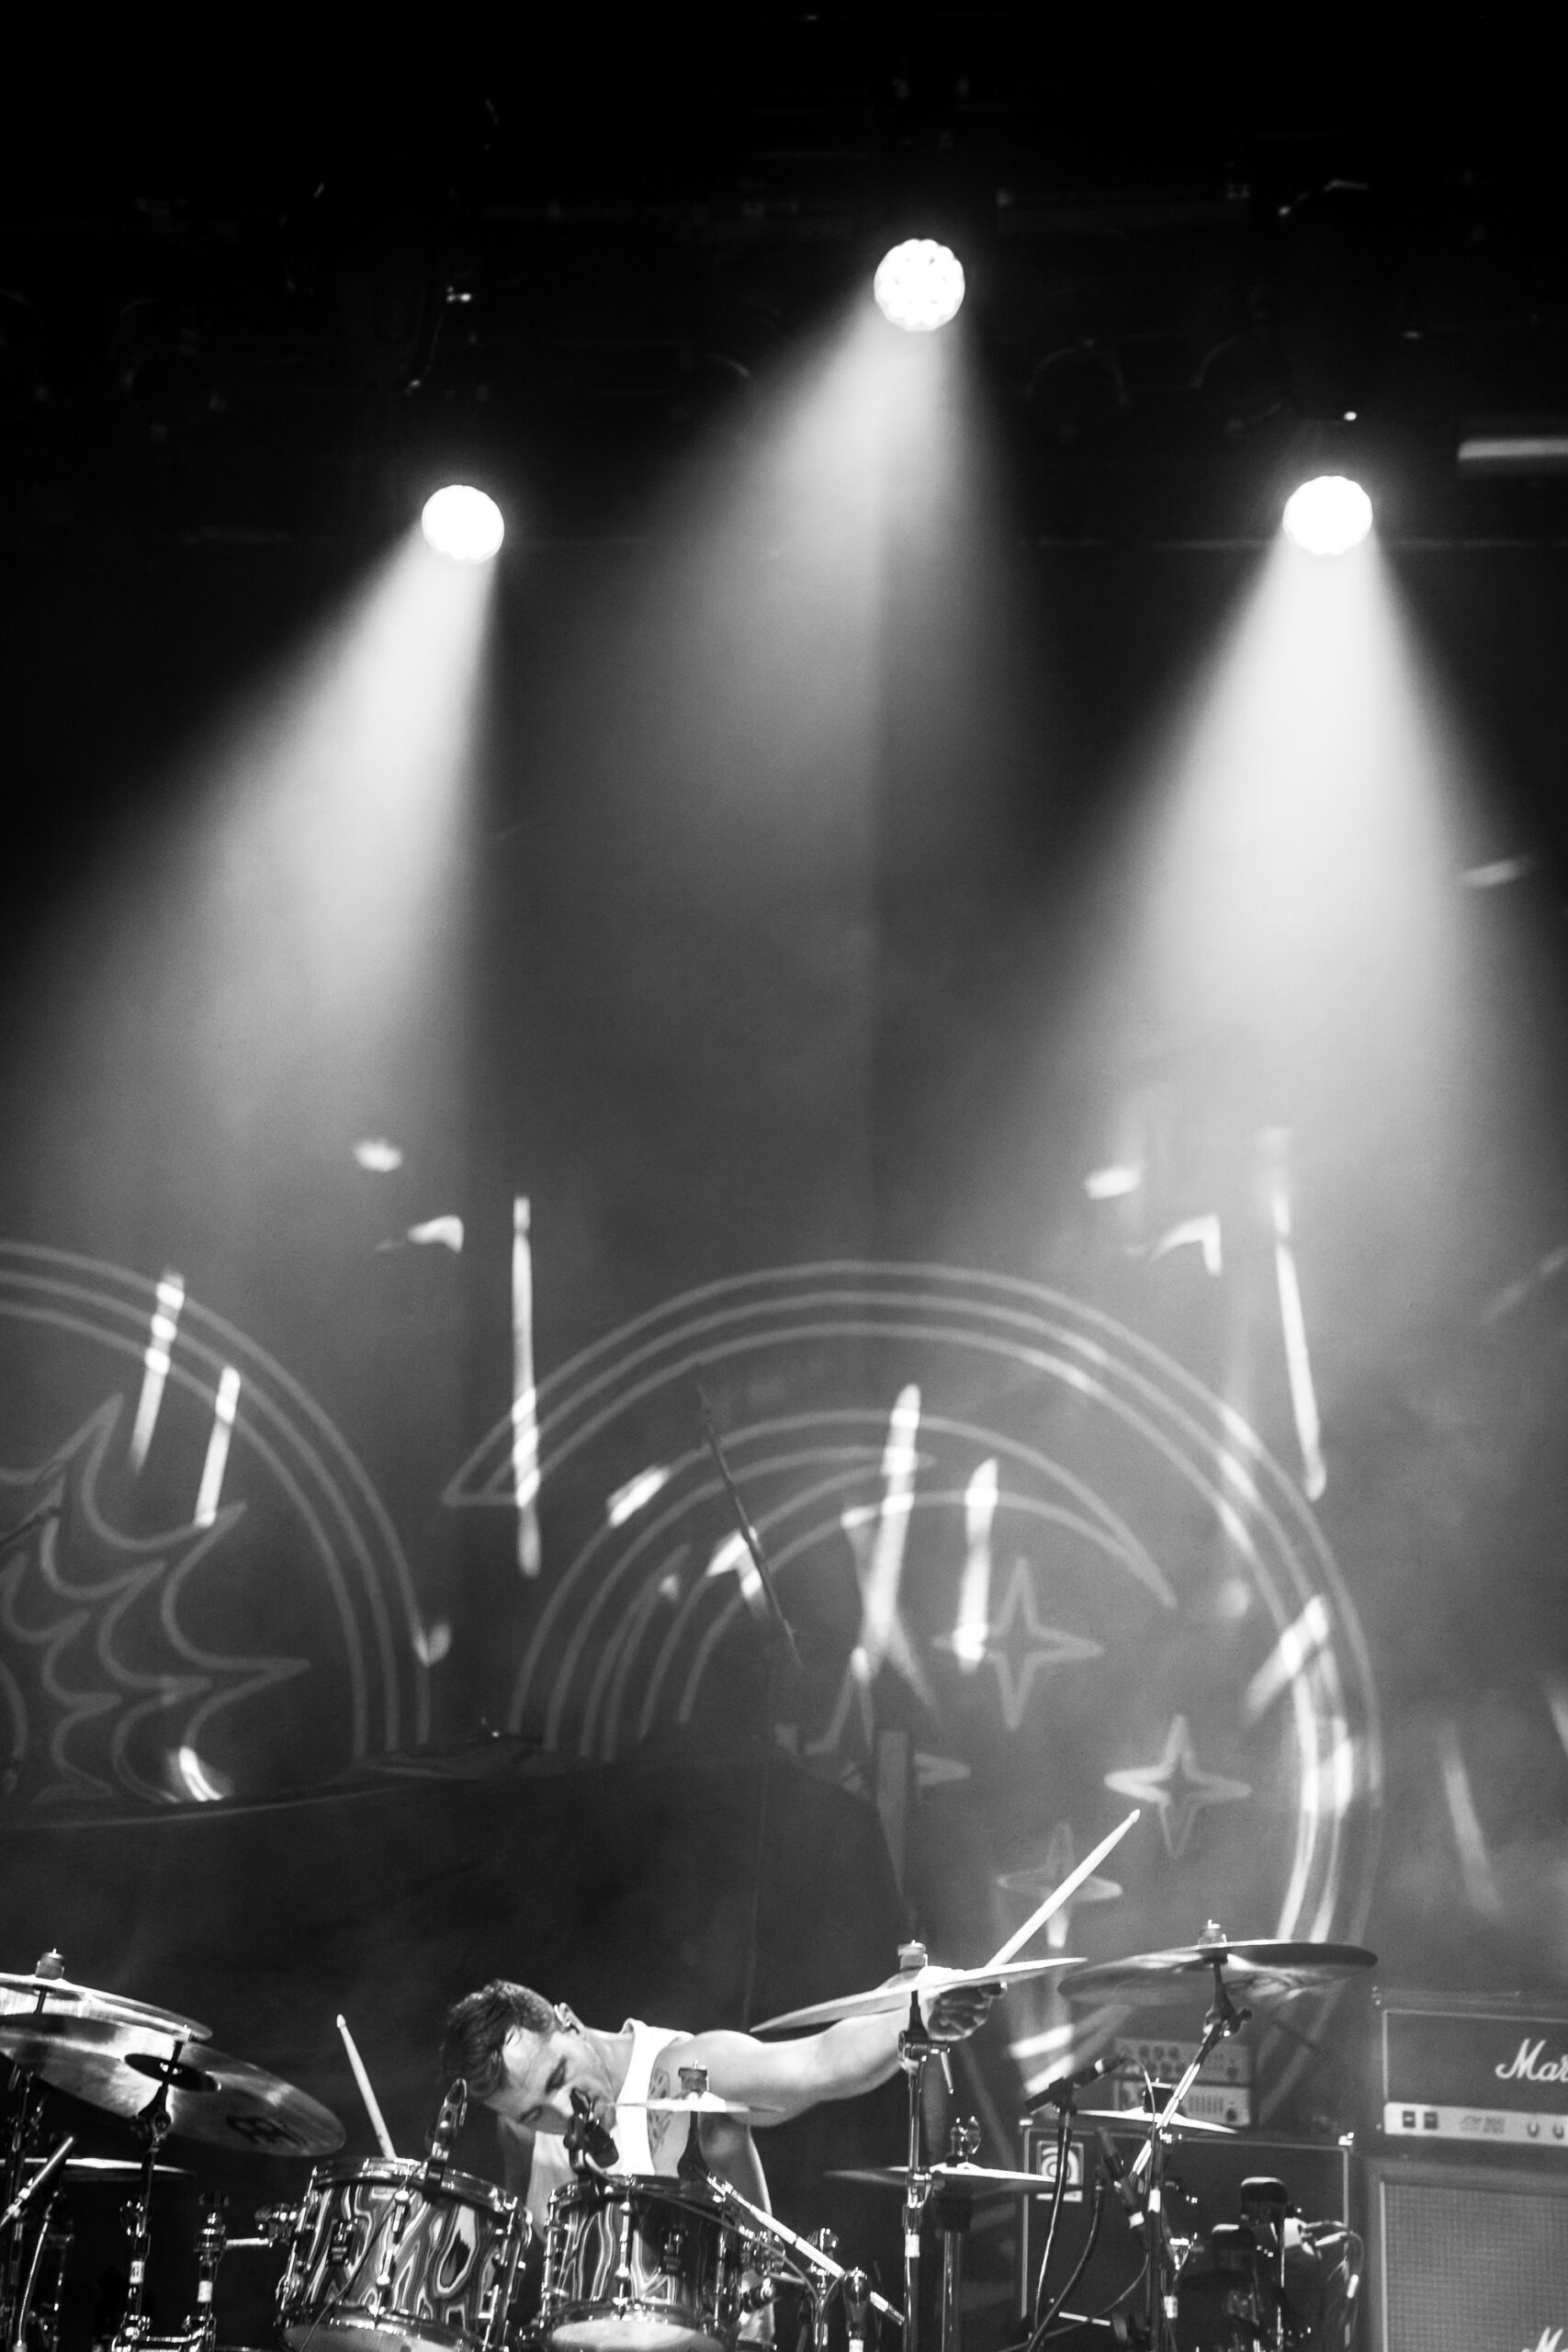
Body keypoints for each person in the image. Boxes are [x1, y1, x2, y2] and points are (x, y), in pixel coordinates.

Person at [439, 1974, 994, 2225]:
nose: (563, 2112)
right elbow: (521, 2237)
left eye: (560, 2077)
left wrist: (914, 2015)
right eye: (535, 2112)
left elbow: (817, 2063)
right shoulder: (519, 2130)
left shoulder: (686, 2067)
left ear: (569, 2023)